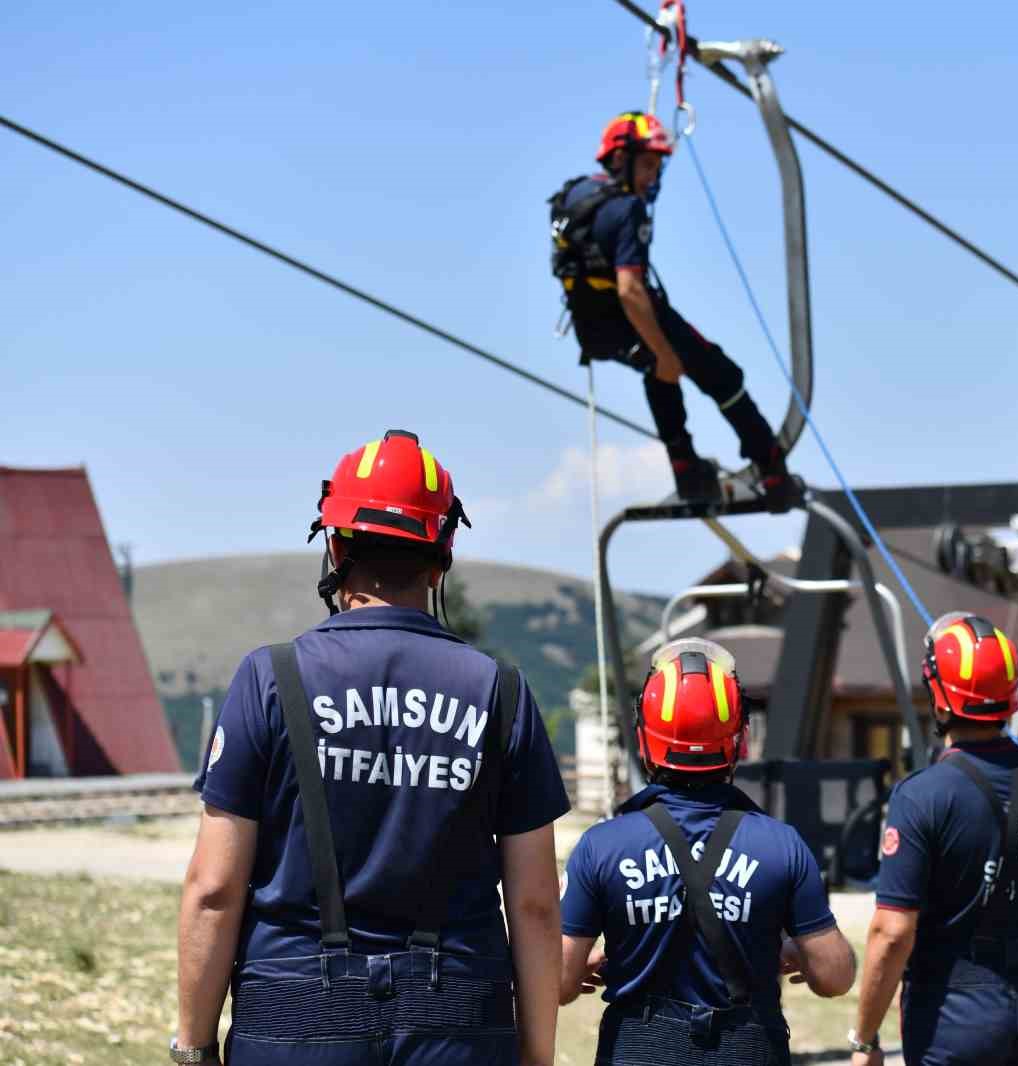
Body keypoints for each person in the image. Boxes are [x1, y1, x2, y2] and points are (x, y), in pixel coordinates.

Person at [175, 430, 570, 1066]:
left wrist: (194, 1047)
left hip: (293, 1022)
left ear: (334, 545)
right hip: (457, 1026)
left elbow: (215, 887)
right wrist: (538, 1055)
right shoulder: (501, 693)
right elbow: (533, 902)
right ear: (442, 555)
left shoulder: (270, 679)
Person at [559, 637, 856, 1065]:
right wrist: (793, 954)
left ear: (645, 742)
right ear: (740, 742)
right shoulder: (782, 846)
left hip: (639, 1050)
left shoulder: (600, 846)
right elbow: (834, 977)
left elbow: (558, 983)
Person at [850, 612, 1018, 1066]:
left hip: (953, 1016)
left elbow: (891, 932)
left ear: (940, 701)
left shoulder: (921, 796)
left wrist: (866, 1039)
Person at [550, 111, 798, 507]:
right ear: (620, 159)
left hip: (595, 329)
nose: (653, 177)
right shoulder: (627, 209)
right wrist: (665, 352)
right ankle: (770, 467)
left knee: (659, 372)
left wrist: (659, 358)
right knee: (722, 375)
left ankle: (685, 468)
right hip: (630, 315)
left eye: (657, 166)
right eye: (647, 164)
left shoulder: (575, 194)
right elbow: (632, 291)